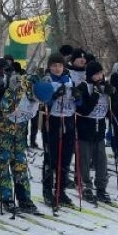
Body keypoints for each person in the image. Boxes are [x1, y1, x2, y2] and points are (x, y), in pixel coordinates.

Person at [0, 74, 47, 214]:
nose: (38, 102)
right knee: (3, 165)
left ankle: (24, 199)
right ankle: (6, 198)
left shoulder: (38, 93)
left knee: (20, 166)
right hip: (4, 133)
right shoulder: (18, 90)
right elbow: (4, 108)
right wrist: (11, 92)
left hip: (19, 135)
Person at [39, 53, 75, 207]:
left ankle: (61, 191)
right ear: (49, 67)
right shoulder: (46, 80)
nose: (57, 68)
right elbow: (42, 102)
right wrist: (53, 96)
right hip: (51, 121)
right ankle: (47, 191)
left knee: (65, 158)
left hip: (67, 120)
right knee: (51, 158)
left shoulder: (69, 80)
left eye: (59, 65)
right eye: (54, 65)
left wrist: (78, 96)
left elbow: (77, 102)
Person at [74, 60, 112, 204]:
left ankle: (101, 188)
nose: (99, 76)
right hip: (85, 129)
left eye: (101, 73)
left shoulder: (103, 86)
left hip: (100, 129)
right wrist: (95, 95)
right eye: (96, 74)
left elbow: (108, 109)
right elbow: (83, 109)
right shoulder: (83, 87)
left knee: (101, 161)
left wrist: (110, 93)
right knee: (84, 160)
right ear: (90, 75)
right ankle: (85, 186)